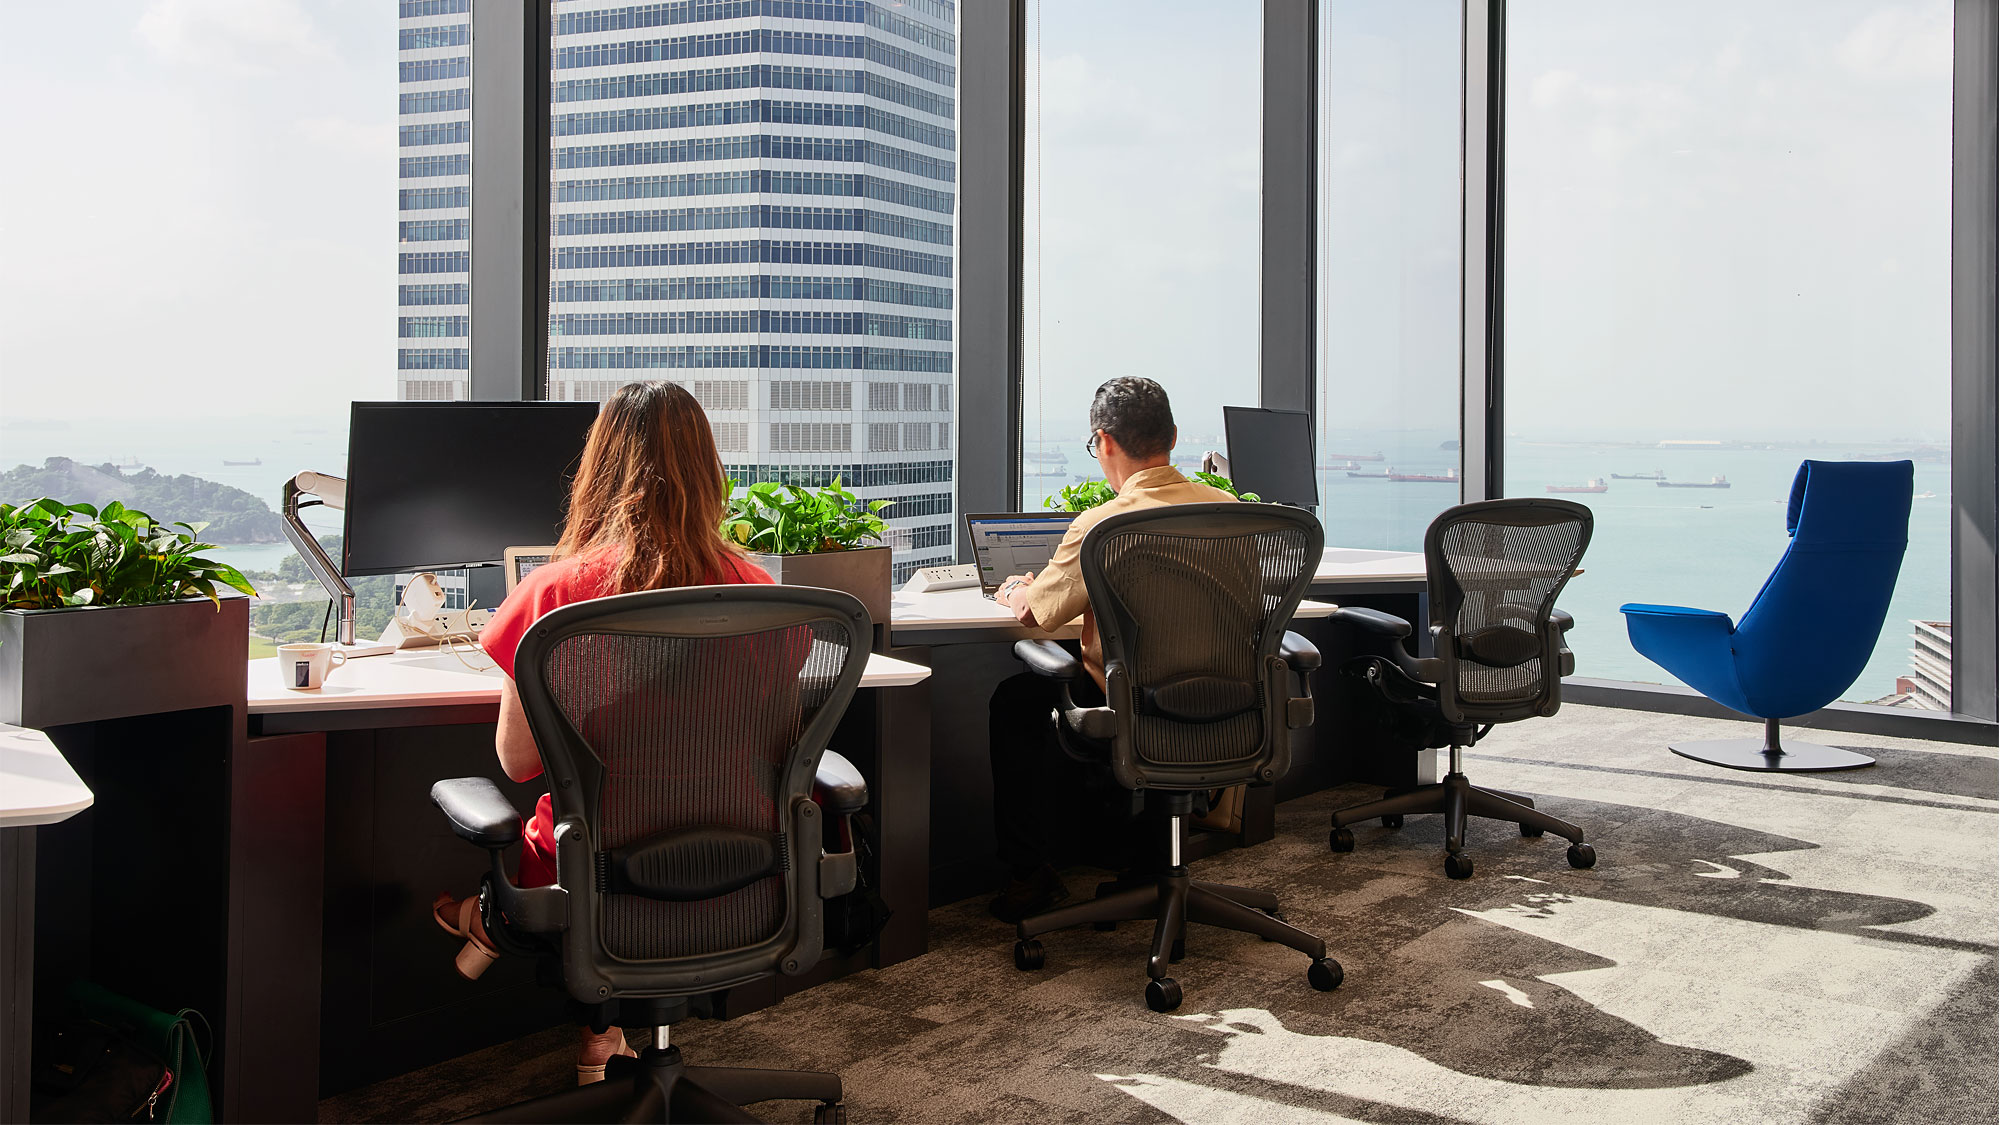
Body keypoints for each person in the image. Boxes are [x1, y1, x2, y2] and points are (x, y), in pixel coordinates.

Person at [428, 380, 775, 1084]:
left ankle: (492, 922)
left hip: (596, 875)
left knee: (567, 829)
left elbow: (518, 761)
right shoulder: (762, 594)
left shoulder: (553, 593)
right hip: (739, 871)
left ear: (598, 468)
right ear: (710, 472)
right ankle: (586, 1023)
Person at [986, 377, 1237, 922]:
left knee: (1017, 700)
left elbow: (1036, 613)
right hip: (1229, 704)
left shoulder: (1105, 524)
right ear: (1172, 435)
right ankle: (1148, 860)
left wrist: (1012, 589)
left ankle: (1031, 878)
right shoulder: (1228, 511)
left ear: (1103, 442)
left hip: (1137, 708)